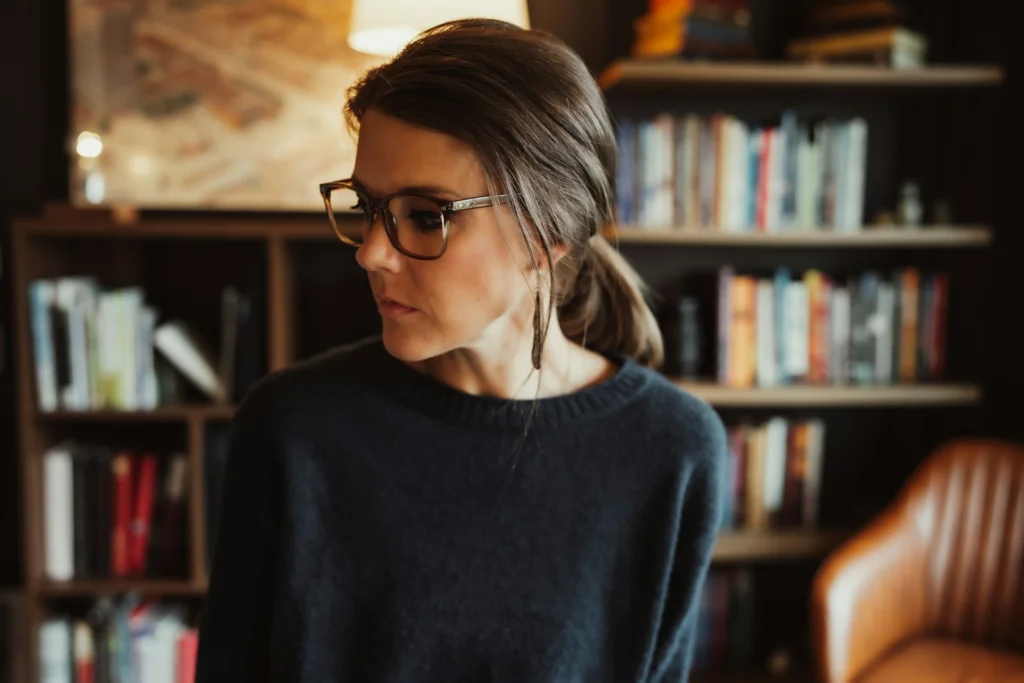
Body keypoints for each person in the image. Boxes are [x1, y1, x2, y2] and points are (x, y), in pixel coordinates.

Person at [195, 18, 726, 683]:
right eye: (368, 206)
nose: (370, 252)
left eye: (425, 215)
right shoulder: (292, 429)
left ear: (546, 233)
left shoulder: (672, 450)